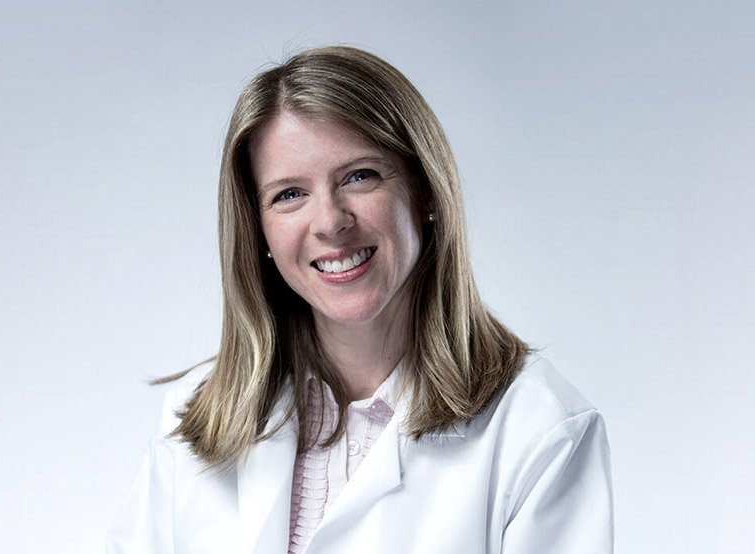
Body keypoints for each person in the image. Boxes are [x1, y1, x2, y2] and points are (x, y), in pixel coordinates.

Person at [107, 46, 613, 553]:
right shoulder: (192, 418)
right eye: (289, 194)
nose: (330, 222)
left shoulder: (541, 429)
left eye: (359, 176)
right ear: (258, 230)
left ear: (425, 191)